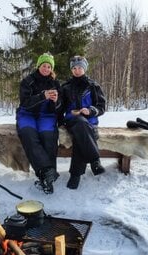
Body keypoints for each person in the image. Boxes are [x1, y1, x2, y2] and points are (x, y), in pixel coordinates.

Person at [16, 53, 61, 194]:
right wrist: (43, 96)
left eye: (49, 66)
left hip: (46, 115)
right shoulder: (27, 81)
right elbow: (25, 103)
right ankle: (48, 172)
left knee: (48, 137)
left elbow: (60, 107)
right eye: (44, 66)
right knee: (29, 135)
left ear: (51, 69)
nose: (46, 69)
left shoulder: (55, 84)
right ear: (38, 66)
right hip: (27, 114)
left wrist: (56, 102)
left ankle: (47, 179)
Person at [59, 55, 106, 189]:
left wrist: (90, 110)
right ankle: (95, 160)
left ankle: (75, 175)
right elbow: (60, 108)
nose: (77, 70)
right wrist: (60, 120)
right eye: (74, 68)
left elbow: (101, 107)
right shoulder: (66, 87)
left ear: (84, 69)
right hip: (72, 120)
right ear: (71, 70)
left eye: (80, 68)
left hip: (90, 121)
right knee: (80, 123)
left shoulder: (93, 86)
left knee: (81, 133)